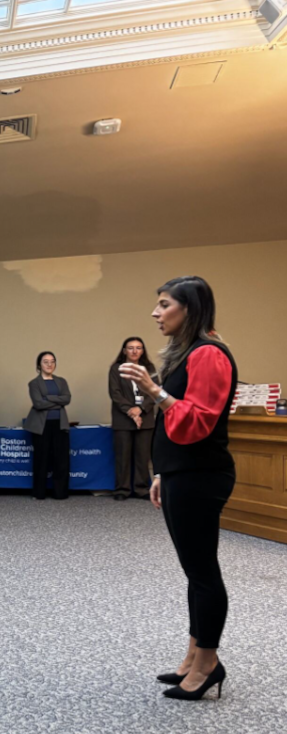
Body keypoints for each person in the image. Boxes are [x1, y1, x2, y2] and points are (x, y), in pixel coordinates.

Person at [120, 276, 238, 701]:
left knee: (203, 572)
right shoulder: (188, 352)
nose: (156, 313)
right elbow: (174, 427)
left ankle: (208, 664)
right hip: (181, 472)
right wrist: (161, 473)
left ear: (190, 309)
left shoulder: (208, 353)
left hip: (201, 475)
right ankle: (193, 656)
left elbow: (197, 422)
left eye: (165, 304)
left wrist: (154, 390)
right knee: (194, 571)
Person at [109, 337, 157, 500]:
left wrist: (140, 409)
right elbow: (115, 393)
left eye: (138, 348)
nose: (135, 351)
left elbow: (155, 391)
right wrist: (131, 411)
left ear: (143, 351)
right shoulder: (116, 369)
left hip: (145, 419)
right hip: (123, 419)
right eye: (131, 348)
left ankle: (141, 489)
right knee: (122, 456)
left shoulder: (149, 369)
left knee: (142, 456)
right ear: (124, 351)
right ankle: (122, 490)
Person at [24, 352, 72, 501]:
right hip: (41, 425)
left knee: (61, 460)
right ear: (39, 365)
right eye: (45, 361)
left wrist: (48, 398)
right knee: (41, 459)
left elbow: (67, 399)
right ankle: (39, 493)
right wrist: (58, 401)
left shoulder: (61, 381)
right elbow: (38, 404)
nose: (49, 364)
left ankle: (60, 493)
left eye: (52, 361)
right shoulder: (34, 383)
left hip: (60, 424)